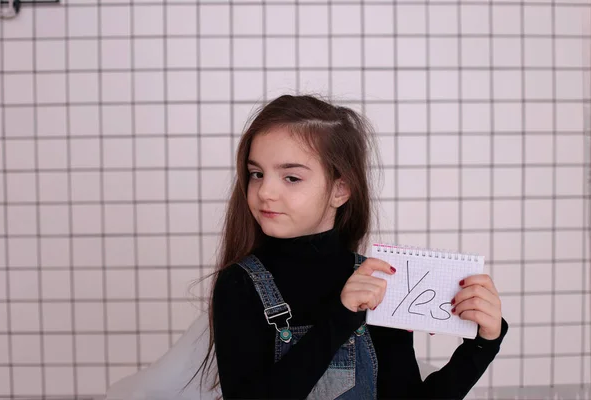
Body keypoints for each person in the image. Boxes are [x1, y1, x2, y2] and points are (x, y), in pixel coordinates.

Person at [201, 94, 508, 399]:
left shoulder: (378, 283)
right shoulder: (240, 285)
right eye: (257, 174)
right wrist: (341, 316)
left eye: (291, 177)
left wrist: (483, 344)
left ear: (341, 189)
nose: (265, 191)